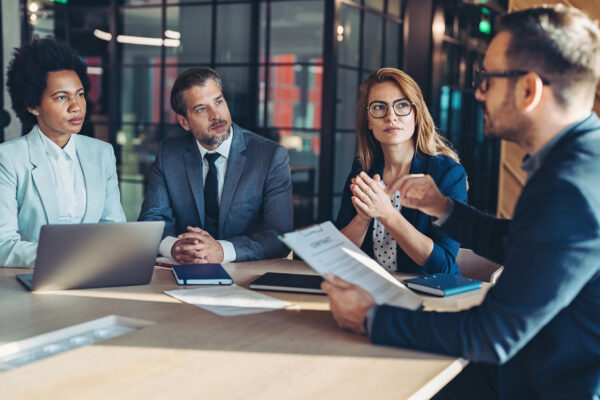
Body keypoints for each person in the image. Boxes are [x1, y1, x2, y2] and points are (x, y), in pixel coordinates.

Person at [322, 5, 600, 399]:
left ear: (528, 90)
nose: (478, 91)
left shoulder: (569, 188)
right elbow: (517, 239)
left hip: (539, 383)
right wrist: (443, 208)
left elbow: (491, 335)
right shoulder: (580, 160)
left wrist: (371, 317)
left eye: (488, 78)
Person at [138, 68, 293, 263]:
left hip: (247, 273)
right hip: (187, 270)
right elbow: (152, 221)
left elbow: (280, 235)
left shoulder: (270, 156)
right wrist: (174, 247)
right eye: (201, 109)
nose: (215, 115)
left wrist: (222, 251)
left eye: (218, 102)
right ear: (184, 122)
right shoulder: (169, 154)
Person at [0, 37, 126, 268]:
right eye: (61, 97)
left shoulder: (102, 153)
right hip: (31, 281)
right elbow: (3, 244)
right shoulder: (8, 159)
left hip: (95, 277)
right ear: (32, 105)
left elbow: (113, 228)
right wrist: (70, 257)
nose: (76, 106)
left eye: (80, 94)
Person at [336, 68, 467, 275]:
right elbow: (338, 256)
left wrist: (387, 214)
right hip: (372, 291)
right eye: (379, 107)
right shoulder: (363, 170)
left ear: (416, 114)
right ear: (369, 121)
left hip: (430, 295)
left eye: (402, 105)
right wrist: (362, 218)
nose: (391, 116)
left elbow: (444, 266)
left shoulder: (448, 174)